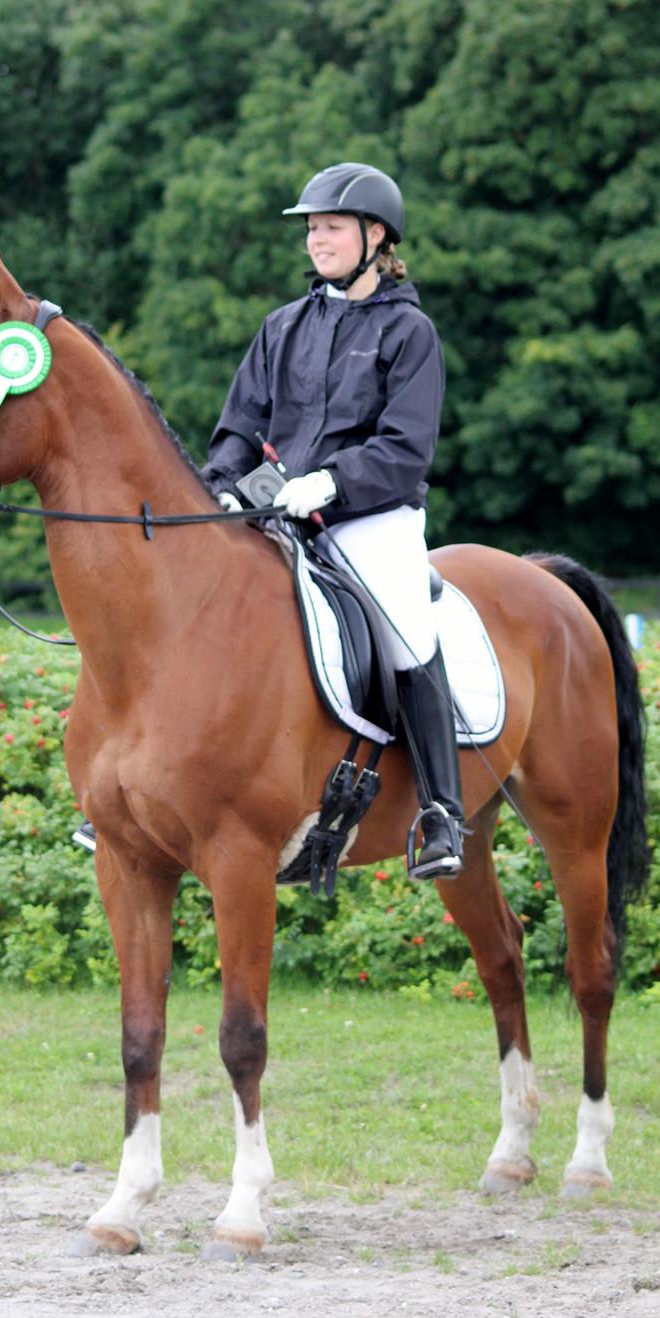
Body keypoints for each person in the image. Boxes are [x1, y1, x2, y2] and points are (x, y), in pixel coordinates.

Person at [199, 162, 466, 881]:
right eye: (312, 228)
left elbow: (405, 451)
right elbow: (238, 427)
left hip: (369, 517)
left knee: (405, 630)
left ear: (374, 236)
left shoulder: (410, 333)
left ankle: (443, 812)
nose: (316, 240)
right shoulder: (282, 326)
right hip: (275, 512)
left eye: (331, 228)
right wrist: (221, 488)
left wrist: (330, 482)